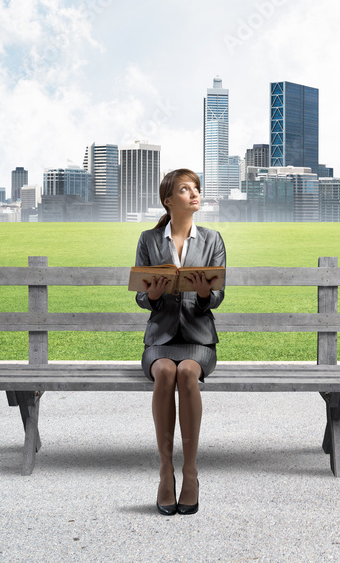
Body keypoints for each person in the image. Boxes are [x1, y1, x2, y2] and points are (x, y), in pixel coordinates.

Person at [134, 168, 225, 516]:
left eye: (196, 188)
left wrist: (204, 294)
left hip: (199, 341)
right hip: (160, 339)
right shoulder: (148, 240)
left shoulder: (213, 239)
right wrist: (153, 297)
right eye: (186, 189)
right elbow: (141, 296)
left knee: (187, 372)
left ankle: (190, 472)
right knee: (165, 372)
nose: (194, 193)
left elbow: (216, 296)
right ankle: (164, 473)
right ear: (169, 200)